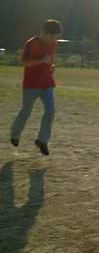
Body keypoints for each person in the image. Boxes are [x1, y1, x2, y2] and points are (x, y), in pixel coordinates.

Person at [10, 20, 62, 156]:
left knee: (51, 110)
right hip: (31, 84)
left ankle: (42, 141)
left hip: (48, 83)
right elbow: (25, 62)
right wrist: (41, 60)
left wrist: (51, 66)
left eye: (56, 37)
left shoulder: (54, 43)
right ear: (44, 32)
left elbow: (50, 59)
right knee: (26, 112)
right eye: (52, 36)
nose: (54, 39)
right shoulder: (30, 43)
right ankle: (14, 134)